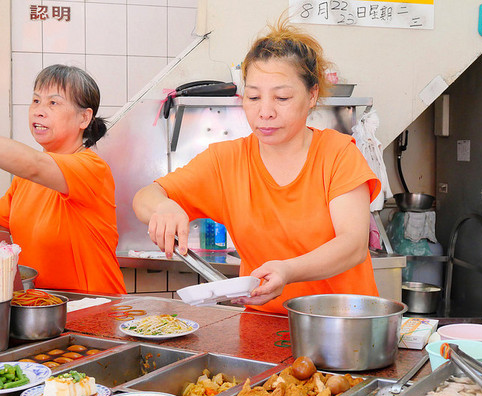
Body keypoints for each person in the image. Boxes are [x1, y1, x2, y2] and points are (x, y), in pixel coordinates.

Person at [132, 19, 381, 314]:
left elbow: (352, 245)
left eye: (282, 97)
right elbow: (145, 197)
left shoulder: (338, 155)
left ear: (312, 95)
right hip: (261, 328)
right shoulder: (226, 161)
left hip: (342, 326)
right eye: (253, 97)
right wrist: (163, 208)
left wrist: (287, 271)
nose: (265, 112)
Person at [0, 64, 126, 294]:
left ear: (84, 118)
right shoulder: (24, 180)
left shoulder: (92, 168)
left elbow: (34, 165)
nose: (38, 111)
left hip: (96, 311)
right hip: (41, 311)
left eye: (53, 103)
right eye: (36, 101)